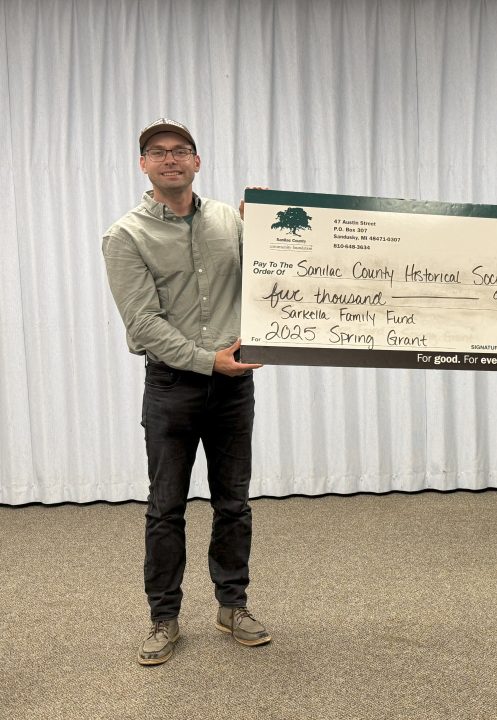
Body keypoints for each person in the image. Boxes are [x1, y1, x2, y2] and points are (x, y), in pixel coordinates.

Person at [102, 118, 271, 664]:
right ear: (143, 165)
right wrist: (207, 361)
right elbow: (142, 324)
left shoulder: (228, 220)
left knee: (233, 503)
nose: (170, 159)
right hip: (172, 386)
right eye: (158, 152)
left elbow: (271, 275)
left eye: (181, 150)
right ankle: (164, 618)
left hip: (233, 386)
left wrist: (268, 225)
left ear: (197, 161)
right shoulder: (125, 235)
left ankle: (232, 606)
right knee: (165, 507)